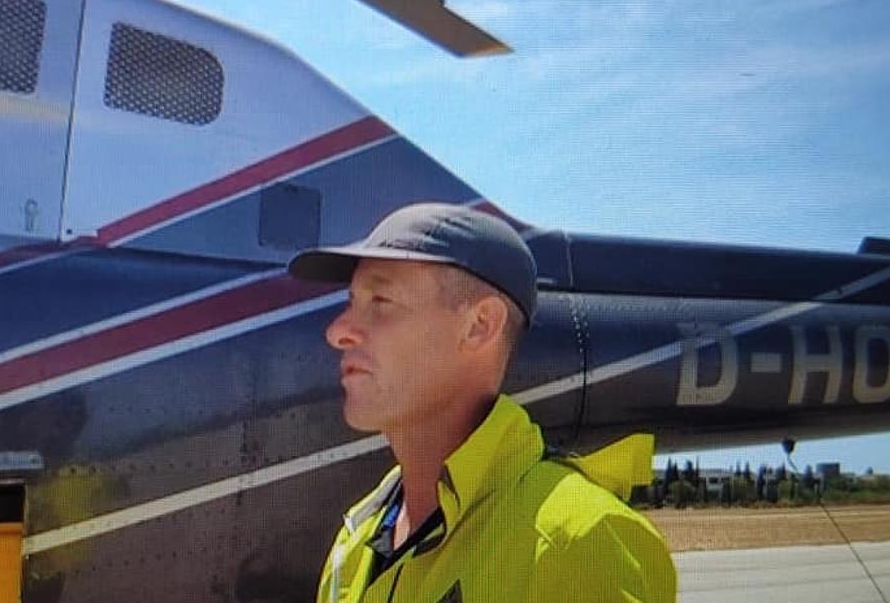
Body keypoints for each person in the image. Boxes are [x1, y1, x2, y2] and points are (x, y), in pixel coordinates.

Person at [289, 202, 676, 603]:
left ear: (479, 326)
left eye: (381, 301)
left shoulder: (580, 542)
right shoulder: (356, 541)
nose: (338, 331)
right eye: (352, 302)